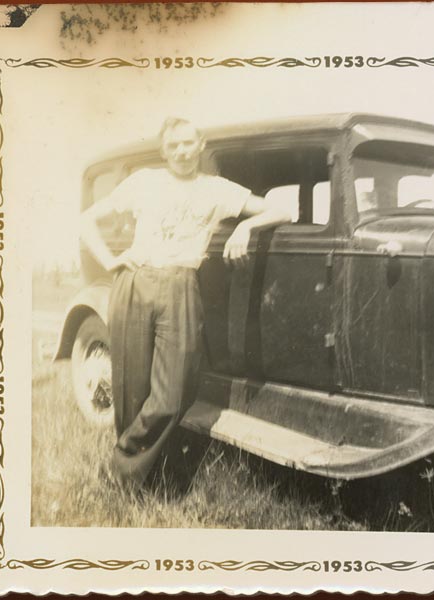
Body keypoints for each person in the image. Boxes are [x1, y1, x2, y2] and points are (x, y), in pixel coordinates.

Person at [80, 117, 291, 488]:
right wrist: (111, 261)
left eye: (188, 143)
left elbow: (285, 211)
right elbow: (87, 221)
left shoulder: (217, 189)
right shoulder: (145, 182)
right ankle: (136, 483)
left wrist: (245, 226)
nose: (181, 151)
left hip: (181, 284)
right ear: (164, 150)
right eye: (174, 145)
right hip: (136, 281)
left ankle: (118, 465)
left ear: (201, 145)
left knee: (175, 391)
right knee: (131, 389)